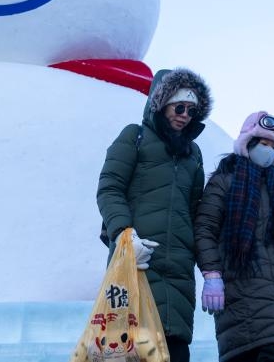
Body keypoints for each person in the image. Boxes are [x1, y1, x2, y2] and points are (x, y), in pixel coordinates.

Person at [97, 67, 212, 362]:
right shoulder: (134, 136)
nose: (185, 114)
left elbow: (195, 212)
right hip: (136, 264)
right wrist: (124, 235)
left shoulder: (193, 155)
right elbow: (110, 188)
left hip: (179, 275)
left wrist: (213, 271)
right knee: (129, 349)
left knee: (175, 349)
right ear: (161, 103)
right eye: (179, 106)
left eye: (192, 109)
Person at [194, 111, 274, 362]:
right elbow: (205, 228)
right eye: (263, 143)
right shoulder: (225, 181)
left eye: (273, 146)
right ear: (248, 142)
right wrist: (212, 274)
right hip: (241, 301)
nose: (268, 150)